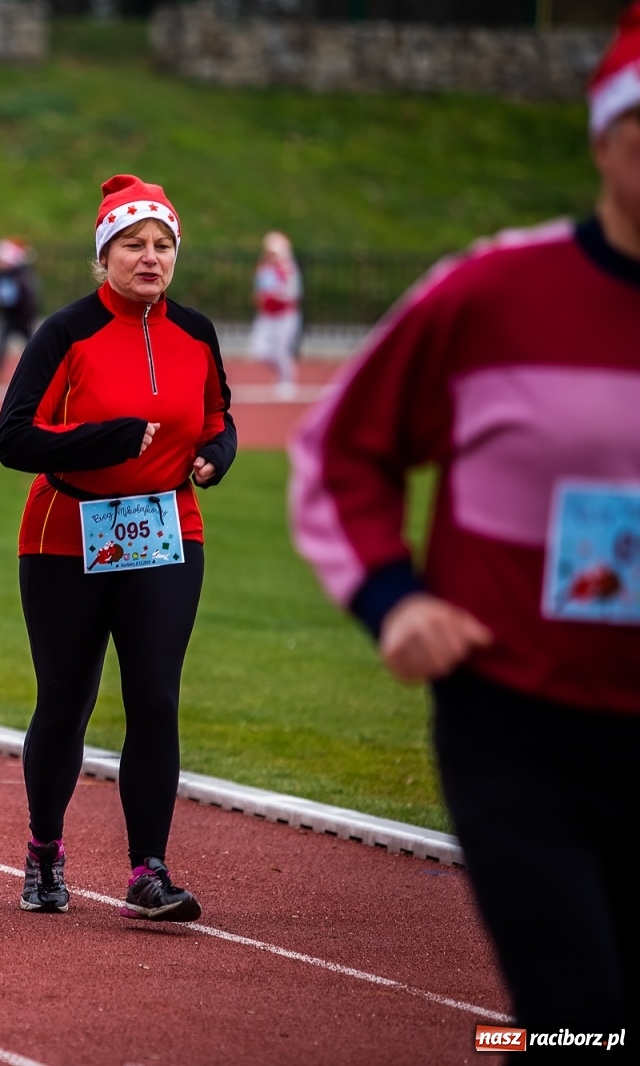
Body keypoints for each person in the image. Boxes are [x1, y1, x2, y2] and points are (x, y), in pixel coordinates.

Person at [289, 3, 640, 1039]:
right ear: (603, 139)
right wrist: (391, 599)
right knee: (578, 1013)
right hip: (520, 724)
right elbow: (339, 450)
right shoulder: (495, 293)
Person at [0, 174, 236, 921]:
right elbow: (14, 439)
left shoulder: (196, 332)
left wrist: (217, 455)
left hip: (165, 531)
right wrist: (104, 440)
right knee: (65, 703)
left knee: (155, 698)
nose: (150, 257)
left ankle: (147, 871)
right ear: (104, 256)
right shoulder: (66, 332)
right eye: (133, 244)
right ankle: (44, 849)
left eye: (163, 244)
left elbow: (218, 418)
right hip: (66, 534)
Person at [247, 230, 301, 394]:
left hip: (284, 315)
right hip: (266, 315)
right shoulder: (265, 268)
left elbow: (292, 293)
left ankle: (286, 380)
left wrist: (274, 295)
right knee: (259, 350)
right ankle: (280, 372)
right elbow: (260, 288)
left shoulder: (288, 269)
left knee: (281, 350)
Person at [0, 238, 37, 384]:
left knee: (33, 345)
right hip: (8, 316)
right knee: (0, 345)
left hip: (22, 317)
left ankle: (38, 372)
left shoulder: (21, 277)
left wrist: (26, 315)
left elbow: (27, 298)